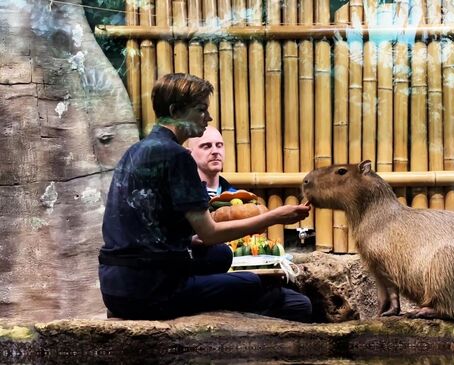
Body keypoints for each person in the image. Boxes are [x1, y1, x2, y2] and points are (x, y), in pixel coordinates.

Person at [99, 73, 311, 322]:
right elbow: (210, 233)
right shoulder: (177, 156)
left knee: (221, 255)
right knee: (257, 284)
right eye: (201, 110)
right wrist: (274, 216)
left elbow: (144, 227)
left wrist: (187, 241)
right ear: (175, 110)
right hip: (150, 290)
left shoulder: (135, 151)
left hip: (115, 284)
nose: (208, 117)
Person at [186, 126, 313, 321]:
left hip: (243, 272)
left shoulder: (240, 197)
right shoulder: (186, 195)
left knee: (300, 304)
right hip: (205, 274)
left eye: (219, 145)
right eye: (206, 146)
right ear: (189, 153)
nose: (215, 151)